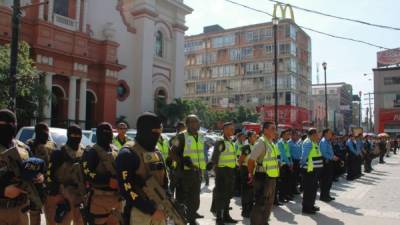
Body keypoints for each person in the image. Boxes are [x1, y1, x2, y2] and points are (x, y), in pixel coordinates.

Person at [116, 113, 167, 225]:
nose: (158, 135)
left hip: (160, 210)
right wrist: (151, 210)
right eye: (155, 131)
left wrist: (168, 203)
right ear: (144, 130)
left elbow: (165, 181)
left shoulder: (157, 152)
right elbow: (126, 190)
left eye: (160, 131)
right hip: (139, 211)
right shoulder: (127, 153)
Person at [0, 109, 45, 225]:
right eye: (1, 124)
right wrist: (3, 191)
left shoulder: (24, 148)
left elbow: (34, 170)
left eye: (10, 124)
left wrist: (39, 177)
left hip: (21, 211)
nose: (5, 127)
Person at [82, 123, 122, 225]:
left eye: (110, 133)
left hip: (117, 198)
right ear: (99, 134)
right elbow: (87, 173)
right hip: (99, 198)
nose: (109, 135)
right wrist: (107, 180)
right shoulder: (92, 152)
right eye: (106, 133)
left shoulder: (116, 150)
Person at [46, 125, 85, 225]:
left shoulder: (84, 153)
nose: (76, 137)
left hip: (79, 195)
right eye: (73, 134)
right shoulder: (59, 153)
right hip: (62, 195)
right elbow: (50, 174)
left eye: (79, 135)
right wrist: (57, 194)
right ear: (68, 135)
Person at [170, 115, 205, 225]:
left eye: (196, 121)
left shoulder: (201, 136)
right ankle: (180, 220)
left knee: (195, 198)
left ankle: (191, 218)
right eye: (192, 122)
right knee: (182, 199)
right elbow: (171, 153)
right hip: (184, 173)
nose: (195, 124)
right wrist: (182, 161)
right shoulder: (180, 137)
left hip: (197, 172)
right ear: (187, 124)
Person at [247, 122, 280, 225]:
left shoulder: (271, 143)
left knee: (269, 204)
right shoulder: (261, 142)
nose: (275, 131)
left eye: (275, 128)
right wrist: (251, 175)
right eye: (272, 129)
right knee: (260, 203)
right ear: (265, 130)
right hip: (262, 177)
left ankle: (264, 222)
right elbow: (251, 160)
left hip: (271, 177)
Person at [207, 122, 238, 225]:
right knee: (221, 195)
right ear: (224, 130)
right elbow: (215, 156)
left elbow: (232, 156)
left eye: (233, 129)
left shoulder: (231, 141)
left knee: (228, 194)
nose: (232, 131)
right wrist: (213, 167)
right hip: (222, 172)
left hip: (230, 171)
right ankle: (219, 218)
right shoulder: (220, 142)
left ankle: (226, 215)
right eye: (230, 129)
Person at [26, 122, 57, 225]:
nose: (44, 134)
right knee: (34, 217)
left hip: (49, 186)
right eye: (41, 132)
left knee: (51, 217)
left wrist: (46, 176)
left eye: (46, 131)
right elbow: (27, 164)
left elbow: (55, 166)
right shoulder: (30, 144)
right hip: (35, 187)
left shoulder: (52, 145)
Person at [301, 128, 323, 214]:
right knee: (309, 189)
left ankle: (311, 205)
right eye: (317, 134)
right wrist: (303, 166)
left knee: (313, 189)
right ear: (313, 135)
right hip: (309, 170)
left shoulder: (313, 142)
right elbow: (304, 156)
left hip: (314, 170)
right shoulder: (308, 142)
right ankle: (306, 207)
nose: (318, 135)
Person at [238, 130, 257, 218]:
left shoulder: (256, 146)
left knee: (251, 191)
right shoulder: (246, 147)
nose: (255, 137)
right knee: (246, 191)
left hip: (253, 170)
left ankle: (250, 208)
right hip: (246, 170)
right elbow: (241, 160)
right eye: (254, 136)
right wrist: (242, 169)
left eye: (256, 136)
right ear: (249, 138)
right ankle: (245, 210)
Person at [319, 129, 338, 202]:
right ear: (326, 133)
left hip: (330, 162)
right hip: (326, 162)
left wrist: (333, 156)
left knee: (329, 180)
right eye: (330, 133)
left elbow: (330, 151)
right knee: (325, 180)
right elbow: (323, 153)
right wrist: (332, 157)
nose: (331, 134)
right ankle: (323, 196)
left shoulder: (328, 141)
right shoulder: (323, 141)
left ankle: (327, 195)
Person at [277, 129, 293, 202]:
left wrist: (291, 162)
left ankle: (286, 195)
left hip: (288, 163)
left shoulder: (287, 143)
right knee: (282, 182)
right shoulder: (280, 143)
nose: (288, 136)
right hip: (283, 164)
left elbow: (289, 153)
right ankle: (281, 197)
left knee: (288, 181)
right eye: (287, 134)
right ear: (283, 135)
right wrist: (289, 163)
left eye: (289, 134)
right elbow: (283, 154)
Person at [288, 130, 302, 195]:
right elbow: (289, 154)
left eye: (297, 135)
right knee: (292, 177)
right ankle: (291, 190)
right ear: (292, 135)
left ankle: (295, 188)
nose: (297, 136)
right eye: (296, 135)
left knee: (296, 176)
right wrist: (291, 162)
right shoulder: (289, 143)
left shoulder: (298, 142)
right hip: (293, 161)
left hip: (298, 161)